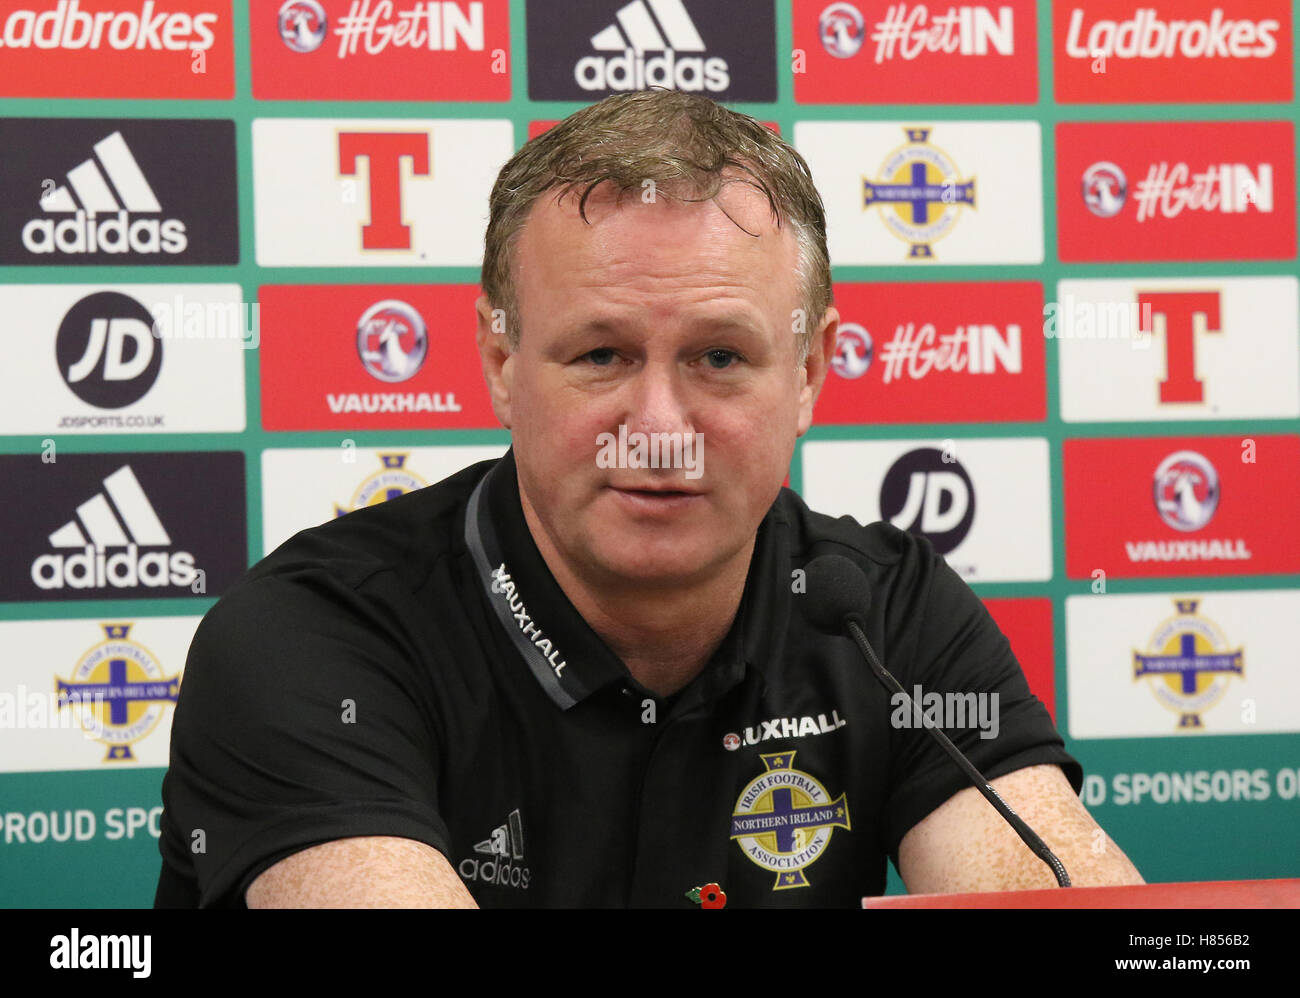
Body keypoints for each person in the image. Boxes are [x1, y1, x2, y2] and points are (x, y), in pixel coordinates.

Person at [154, 88, 1143, 908]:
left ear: (807, 370)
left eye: (720, 356)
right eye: (601, 354)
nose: (659, 423)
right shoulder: (311, 637)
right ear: (501, 361)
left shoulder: (883, 614)